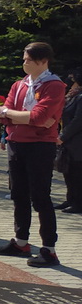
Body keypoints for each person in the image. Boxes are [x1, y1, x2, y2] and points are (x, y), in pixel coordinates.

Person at [0, 42, 66, 267]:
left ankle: (49, 249)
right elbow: (3, 115)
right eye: (24, 59)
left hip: (40, 146)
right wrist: (18, 116)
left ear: (43, 61)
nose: (24, 63)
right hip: (16, 143)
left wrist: (13, 114)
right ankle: (21, 241)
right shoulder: (19, 84)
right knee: (18, 194)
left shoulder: (54, 85)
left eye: (28, 60)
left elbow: (39, 116)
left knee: (41, 197)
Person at [57, 69, 82, 214]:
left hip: (77, 142)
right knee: (69, 172)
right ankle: (70, 199)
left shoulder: (81, 98)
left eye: (73, 81)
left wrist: (63, 136)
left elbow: (78, 121)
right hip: (69, 143)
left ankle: (78, 203)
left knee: (77, 173)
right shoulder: (73, 97)